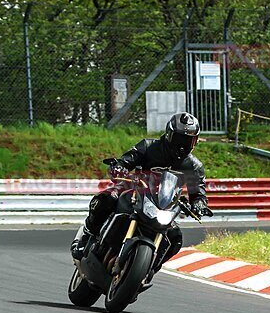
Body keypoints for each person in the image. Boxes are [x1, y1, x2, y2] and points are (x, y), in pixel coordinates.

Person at [71, 112, 213, 265]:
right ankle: (86, 235)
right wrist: (120, 166)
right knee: (106, 199)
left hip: (164, 205)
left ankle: (150, 268)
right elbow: (127, 160)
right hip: (135, 189)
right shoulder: (149, 146)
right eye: (180, 139)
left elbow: (198, 191)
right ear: (169, 134)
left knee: (175, 238)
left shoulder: (193, 166)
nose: (183, 145)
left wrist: (199, 204)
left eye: (189, 140)